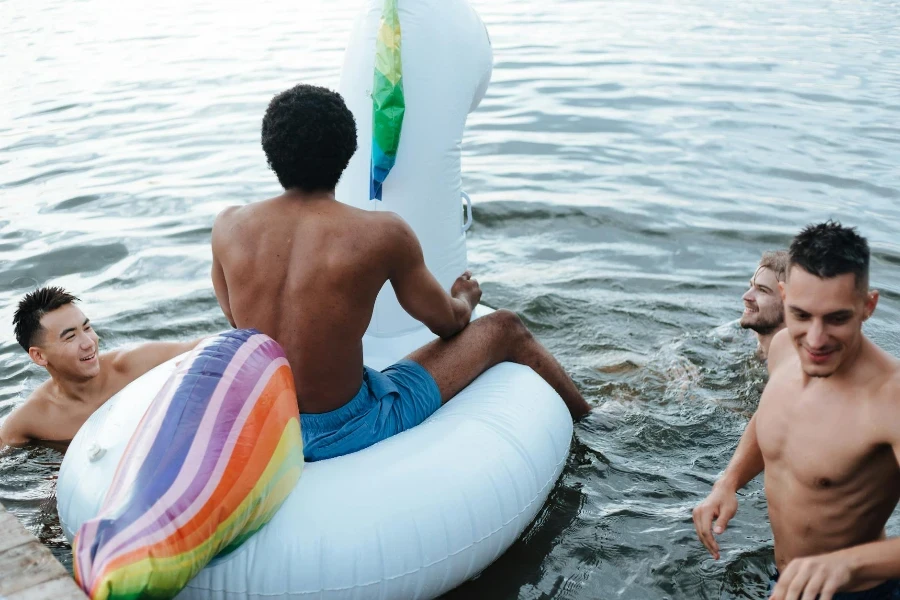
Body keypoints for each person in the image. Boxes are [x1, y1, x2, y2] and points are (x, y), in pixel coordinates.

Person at [210, 84, 591, 462]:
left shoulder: (227, 227)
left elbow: (237, 322)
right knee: (506, 326)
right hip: (348, 427)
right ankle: (595, 423)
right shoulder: (381, 233)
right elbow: (448, 323)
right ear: (348, 151)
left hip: (268, 424)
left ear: (270, 152)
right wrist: (465, 297)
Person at [692, 222, 900, 600]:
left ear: (868, 306)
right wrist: (728, 482)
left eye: (837, 318)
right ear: (785, 297)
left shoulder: (891, 399)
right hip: (785, 582)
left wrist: (845, 563)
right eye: (802, 315)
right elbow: (771, 416)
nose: (816, 340)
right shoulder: (784, 347)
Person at [0, 287, 203, 452]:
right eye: (70, 337)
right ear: (39, 356)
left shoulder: (133, 366)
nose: (89, 343)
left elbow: (208, 347)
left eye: (87, 328)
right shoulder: (32, 420)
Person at [740, 250, 789, 360]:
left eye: (762, 290)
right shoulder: (738, 336)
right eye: (751, 286)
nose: (746, 296)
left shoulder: (793, 367)